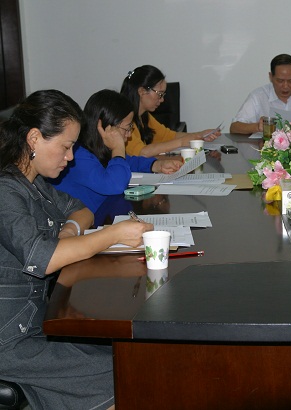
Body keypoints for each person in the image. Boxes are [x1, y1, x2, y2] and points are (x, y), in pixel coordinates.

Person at [0, 89, 153, 409]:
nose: (70, 158)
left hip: (37, 320)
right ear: (34, 139)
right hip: (10, 338)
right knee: (123, 371)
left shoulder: (33, 182)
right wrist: (111, 235)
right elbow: (43, 258)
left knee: (126, 354)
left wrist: (68, 232)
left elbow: (81, 210)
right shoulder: (6, 191)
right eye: (66, 146)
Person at [49, 89, 183, 213]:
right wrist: (118, 148)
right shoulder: (77, 156)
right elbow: (115, 185)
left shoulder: (99, 148)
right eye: (127, 128)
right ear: (107, 128)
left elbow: (127, 161)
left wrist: (156, 165)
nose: (129, 135)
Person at [121, 65, 221, 157]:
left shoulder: (144, 116)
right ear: (142, 91)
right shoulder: (123, 120)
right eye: (160, 94)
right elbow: (142, 152)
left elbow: (169, 136)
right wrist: (181, 142)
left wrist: (201, 135)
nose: (162, 100)